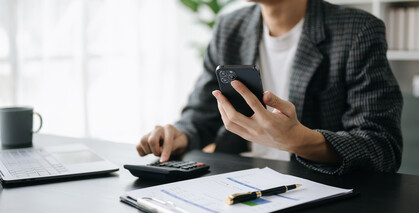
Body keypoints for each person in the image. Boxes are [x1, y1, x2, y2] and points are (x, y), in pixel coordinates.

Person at [136, 0, 403, 175]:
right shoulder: (229, 27)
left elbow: (383, 148)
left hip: (315, 186)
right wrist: (181, 134)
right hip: (236, 179)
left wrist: (300, 141)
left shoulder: (358, 30)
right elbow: (202, 113)